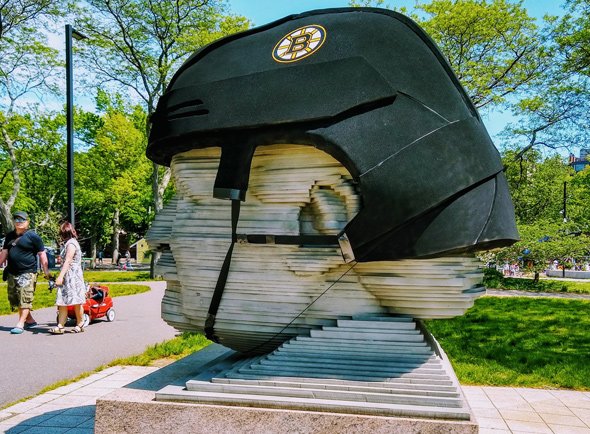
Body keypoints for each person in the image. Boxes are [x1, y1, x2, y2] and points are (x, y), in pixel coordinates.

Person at [0, 211, 51, 334]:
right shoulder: (9, 236)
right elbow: (4, 253)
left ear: (27, 222)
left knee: (25, 297)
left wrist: (46, 272)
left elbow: (42, 254)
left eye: (21, 220)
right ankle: (30, 321)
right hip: (12, 272)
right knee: (16, 298)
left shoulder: (33, 236)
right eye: (16, 220)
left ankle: (20, 323)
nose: (19, 222)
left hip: (28, 272)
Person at [50, 221, 86, 334]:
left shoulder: (71, 244)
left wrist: (60, 276)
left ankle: (80, 324)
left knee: (76, 302)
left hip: (72, 277)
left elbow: (69, 260)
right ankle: (60, 326)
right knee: (62, 301)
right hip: (68, 276)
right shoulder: (69, 243)